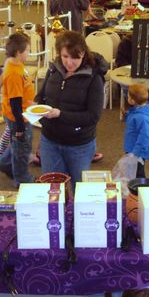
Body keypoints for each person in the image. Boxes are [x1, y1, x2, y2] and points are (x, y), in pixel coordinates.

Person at [36, 31, 108, 187]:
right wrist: (36, 108)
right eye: (65, 56)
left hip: (79, 145)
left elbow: (93, 116)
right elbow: (41, 96)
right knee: (53, 190)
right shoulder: (54, 69)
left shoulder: (93, 77)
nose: (69, 62)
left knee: (80, 191)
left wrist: (60, 115)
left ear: (84, 54)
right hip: (49, 141)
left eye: (75, 57)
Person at [0, 32, 35, 186]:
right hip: (18, 117)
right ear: (19, 53)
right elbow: (15, 102)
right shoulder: (13, 72)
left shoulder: (15, 64)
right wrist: (19, 126)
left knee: (18, 144)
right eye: (27, 51)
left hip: (22, 113)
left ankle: (3, 163)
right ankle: (22, 179)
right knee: (22, 148)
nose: (29, 53)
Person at [123, 84, 149, 178]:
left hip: (136, 152)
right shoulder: (140, 110)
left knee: (138, 174)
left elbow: (145, 136)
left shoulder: (142, 117)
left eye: (128, 96)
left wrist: (135, 153)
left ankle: (141, 190)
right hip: (135, 149)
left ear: (132, 100)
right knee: (134, 172)